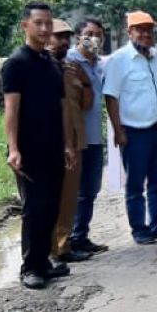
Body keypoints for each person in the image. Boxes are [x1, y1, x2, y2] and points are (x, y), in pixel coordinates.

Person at [1, 3, 73, 289]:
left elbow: (63, 107)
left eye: (48, 24)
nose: (44, 29)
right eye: (38, 23)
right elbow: (11, 109)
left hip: (54, 146)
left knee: (52, 207)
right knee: (34, 209)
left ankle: (44, 261)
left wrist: (68, 143)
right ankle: (29, 267)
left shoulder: (52, 63)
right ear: (25, 26)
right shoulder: (16, 63)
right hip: (28, 150)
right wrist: (14, 148)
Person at [103, 10, 157, 245]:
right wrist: (119, 131)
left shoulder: (156, 57)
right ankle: (139, 229)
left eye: (149, 29)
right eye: (140, 30)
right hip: (135, 131)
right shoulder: (118, 60)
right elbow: (111, 97)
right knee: (135, 185)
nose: (146, 34)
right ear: (130, 32)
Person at [49, 19, 94, 263]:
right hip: (49, 142)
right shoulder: (41, 67)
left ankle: (62, 247)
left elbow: (87, 104)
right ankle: (46, 250)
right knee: (48, 198)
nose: (63, 42)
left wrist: (83, 79)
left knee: (69, 196)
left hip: (74, 141)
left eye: (67, 37)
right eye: (59, 37)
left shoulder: (71, 67)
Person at [67, 17, 109, 255]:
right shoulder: (70, 62)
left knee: (90, 190)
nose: (95, 38)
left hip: (94, 138)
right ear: (78, 36)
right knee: (74, 191)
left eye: (99, 35)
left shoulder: (99, 64)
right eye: (90, 33)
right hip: (75, 138)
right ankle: (69, 239)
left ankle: (81, 235)